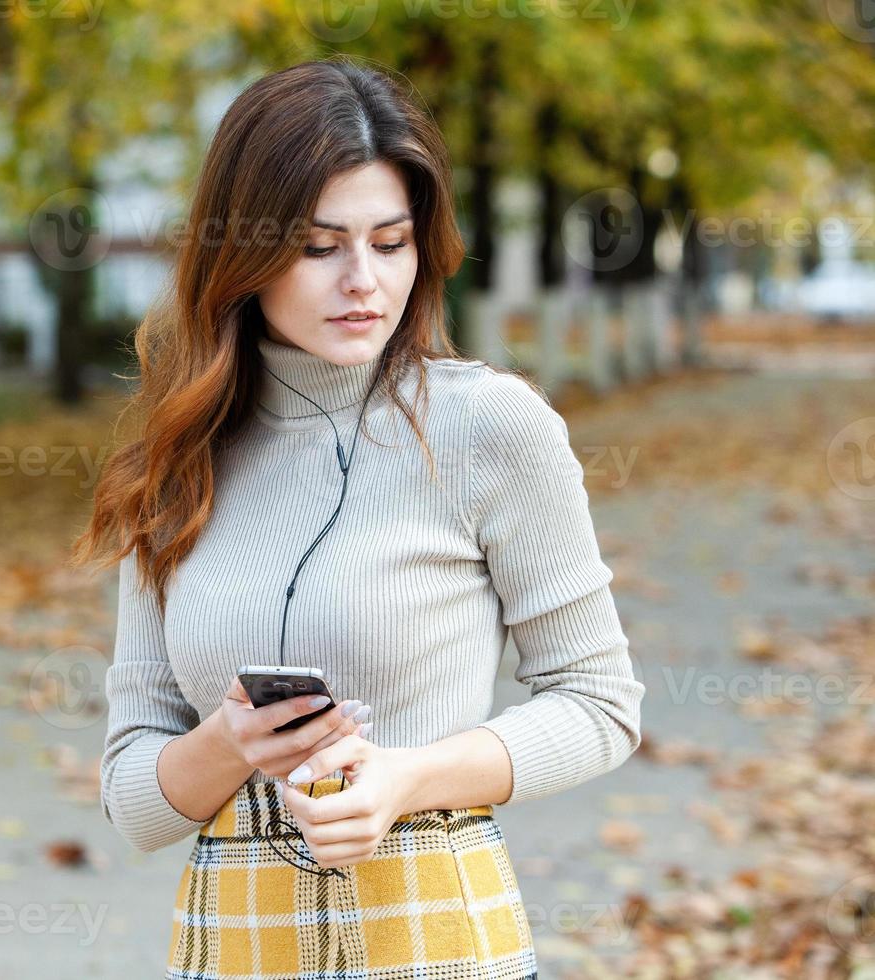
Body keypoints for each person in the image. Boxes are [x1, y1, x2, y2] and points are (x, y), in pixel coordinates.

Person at [71, 55, 644, 980]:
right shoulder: (180, 455)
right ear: (242, 255)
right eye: (318, 246)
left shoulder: (489, 427)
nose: (363, 281)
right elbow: (135, 802)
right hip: (233, 945)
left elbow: (601, 707)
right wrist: (227, 744)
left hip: (434, 934)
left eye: (391, 241)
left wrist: (409, 779)